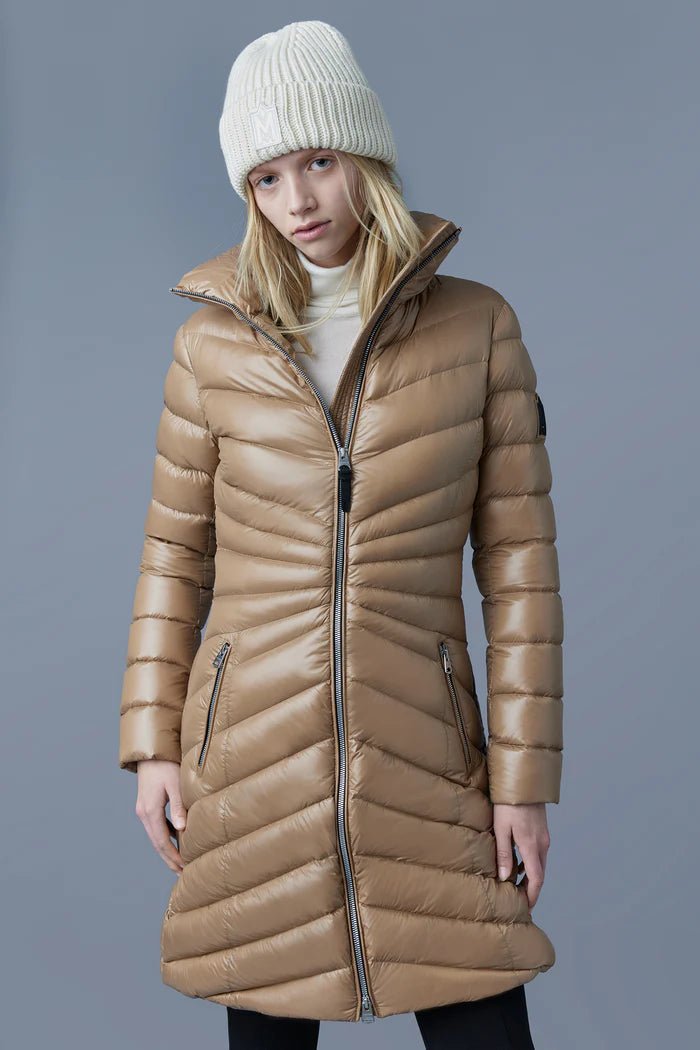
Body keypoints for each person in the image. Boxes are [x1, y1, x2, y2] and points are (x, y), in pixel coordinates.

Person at [119, 20, 563, 1050]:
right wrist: (152, 747)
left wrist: (523, 782)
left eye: (318, 161)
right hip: (253, 758)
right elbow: (173, 555)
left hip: (428, 756)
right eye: (267, 178)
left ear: (366, 156)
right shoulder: (210, 347)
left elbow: (521, 571)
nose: (298, 201)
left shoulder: (478, 329)